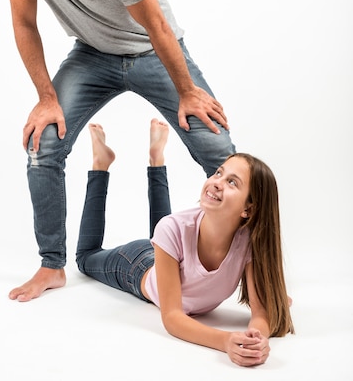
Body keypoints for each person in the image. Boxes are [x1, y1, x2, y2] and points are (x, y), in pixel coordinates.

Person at [0, 0, 235, 302]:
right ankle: (52, 265)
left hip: (153, 51)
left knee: (221, 151)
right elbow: (23, 23)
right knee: (44, 142)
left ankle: (255, 271)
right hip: (91, 55)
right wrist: (46, 99)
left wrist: (187, 91)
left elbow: (157, 26)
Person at [76, 119, 294, 368]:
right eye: (219, 173)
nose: (217, 181)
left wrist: (257, 340)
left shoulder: (247, 243)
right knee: (86, 257)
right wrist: (226, 341)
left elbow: (260, 312)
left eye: (232, 182)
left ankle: (156, 156)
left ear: (249, 209)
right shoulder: (173, 228)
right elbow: (172, 317)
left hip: (168, 252)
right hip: (135, 267)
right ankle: (101, 165)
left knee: (165, 230)